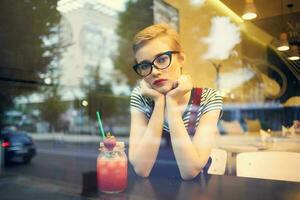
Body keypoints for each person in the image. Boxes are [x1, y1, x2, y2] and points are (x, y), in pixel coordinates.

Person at [129, 23, 223, 180]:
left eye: (162, 59)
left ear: (181, 58)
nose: (155, 72)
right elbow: (141, 168)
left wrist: (171, 102)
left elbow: (190, 171)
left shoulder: (209, 98)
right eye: (145, 65)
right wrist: (159, 103)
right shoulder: (141, 97)